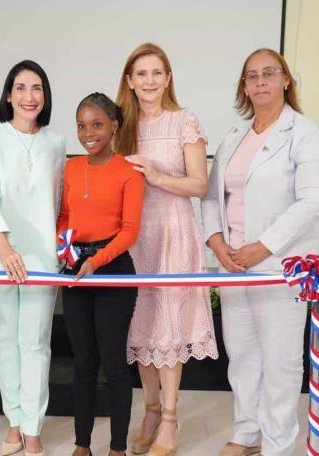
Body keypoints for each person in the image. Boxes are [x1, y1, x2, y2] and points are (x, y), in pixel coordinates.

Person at [201, 48, 319, 456]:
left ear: (286, 80)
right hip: (233, 264)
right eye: (251, 76)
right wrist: (218, 242)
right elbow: (210, 199)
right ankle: (246, 433)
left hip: (279, 266)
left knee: (281, 361)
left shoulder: (305, 133)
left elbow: (312, 202)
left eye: (269, 74)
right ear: (244, 86)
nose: (260, 82)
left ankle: (278, 442)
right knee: (241, 356)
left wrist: (264, 247)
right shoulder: (234, 138)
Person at [114, 42, 218, 456]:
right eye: (142, 74)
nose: (150, 81)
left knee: (170, 330)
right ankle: (151, 411)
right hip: (135, 236)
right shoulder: (122, 124)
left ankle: (171, 419)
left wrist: (156, 177)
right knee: (142, 328)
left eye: (157, 73)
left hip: (174, 232)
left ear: (168, 78)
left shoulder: (184, 121)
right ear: (129, 81)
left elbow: (200, 185)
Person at [0, 60, 66, 456]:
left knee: (36, 343)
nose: (29, 96)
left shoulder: (57, 143)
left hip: (42, 258)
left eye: (37, 88)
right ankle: (13, 423)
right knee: (5, 340)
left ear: (45, 95)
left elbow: (58, 204)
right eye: (21, 88)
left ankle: (33, 427)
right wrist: (6, 250)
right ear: (8, 95)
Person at [57, 93, 144, 456]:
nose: (88, 133)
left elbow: (129, 230)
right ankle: (82, 445)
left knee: (114, 364)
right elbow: (64, 217)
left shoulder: (129, 172)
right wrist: (65, 249)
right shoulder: (72, 168)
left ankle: (118, 448)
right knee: (83, 364)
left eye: (96, 124)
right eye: (81, 125)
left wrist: (97, 261)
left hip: (114, 273)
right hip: (77, 272)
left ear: (114, 126)